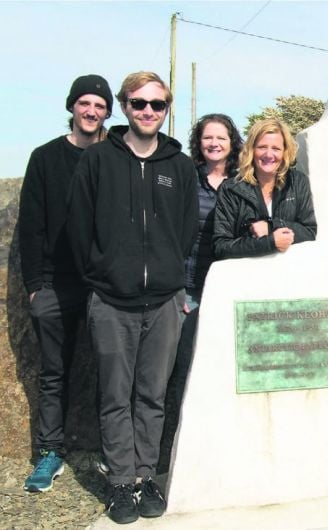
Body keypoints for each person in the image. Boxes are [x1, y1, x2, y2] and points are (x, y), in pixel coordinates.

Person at [66, 72, 198, 524]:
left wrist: (164, 272)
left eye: (157, 105)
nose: (147, 111)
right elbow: (79, 227)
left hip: (162, 303)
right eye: (139, 103)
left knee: (152, 396)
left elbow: (184, 231)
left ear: (166, 109)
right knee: (115, 396)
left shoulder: (178, 166)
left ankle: (145, 478)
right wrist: (103, 273)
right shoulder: (100, 159)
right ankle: (120, 483)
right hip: (111, 302)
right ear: (124, 106)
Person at [19, 74, 113, 493]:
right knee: (54, 373)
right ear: (72, 107)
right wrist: (35, 284)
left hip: (104, 284)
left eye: (99, 105)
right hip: (56, 285)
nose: (91, 111)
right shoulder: (44, 157)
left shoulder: (114, 157)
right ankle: (50, 453)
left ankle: (114, 455)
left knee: (113, 372)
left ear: (108, 112)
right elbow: (31, 225)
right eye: (85, 103)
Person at [158, 114, 243, 472]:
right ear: (199, 142)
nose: (214, 144)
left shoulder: (242, 183)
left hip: (224, 289)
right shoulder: (186, 179)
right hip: (187, 287)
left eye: (220, 137)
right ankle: (171, 450)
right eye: (207, 138)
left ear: (231, 142)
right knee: (178, 370)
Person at [212, 118, 317, 258]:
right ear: (251, 149)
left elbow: (309, 232)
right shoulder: (231, 189)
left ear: (285, 151)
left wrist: (272, 225)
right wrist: (269, 243)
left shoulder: (297, 182)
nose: (269, 154)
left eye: (276, 148)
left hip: (289, 274)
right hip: (247, 275)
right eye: (262, 147)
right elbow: (221, 246)